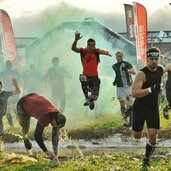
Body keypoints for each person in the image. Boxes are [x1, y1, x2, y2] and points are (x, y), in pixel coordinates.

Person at [131, 47, 163, 167]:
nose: (154, 61)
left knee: (153, 133)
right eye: (151, 59)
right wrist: (150, 89)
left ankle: (146, 158)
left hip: (152, 108)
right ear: (147, 59)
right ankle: (133, 126)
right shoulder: (141, 74)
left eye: (156, 59)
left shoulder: (160, 69)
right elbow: (134, 93)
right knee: (137, 136)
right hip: (139, 108)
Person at [17, 93, 66, 164]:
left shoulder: (57, 116)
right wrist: (46, 151)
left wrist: (55, 154)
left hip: (33, 99)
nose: (55, 127)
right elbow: (37, 135)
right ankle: (25, 137)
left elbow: (55, 136)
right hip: (22, 104)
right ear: (54, 119)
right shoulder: (45, 116)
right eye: (56, 125)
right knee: (25, 127)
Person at [71, 31, 112, 110]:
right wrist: (76, 40)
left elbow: (102, 51)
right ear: (87, 45)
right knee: (82, 77)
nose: (91, 48)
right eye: (90, 46)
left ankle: (90, 100)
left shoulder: (96, 51)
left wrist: (107, 53)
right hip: (86, 76)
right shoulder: (83, 51)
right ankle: (87, 98)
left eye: (93, 46)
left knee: (95, 97)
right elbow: (73, 49)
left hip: (95, 78)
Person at [112, 51, 136, 127]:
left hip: (128, 87)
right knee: (122, 102)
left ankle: (131, 123)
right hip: (119, 87)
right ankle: (125, 120)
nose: (119, 57)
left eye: (120, 56)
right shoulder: (114, 66)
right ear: (116, 57)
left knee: (129, 105)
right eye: (118, 56)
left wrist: (128, 70)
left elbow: (134, 72)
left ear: (123, 56)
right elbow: (117, 74)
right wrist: (115, 80)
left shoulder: (126, 64)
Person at [0, 79, 21, 150]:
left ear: (1, 87)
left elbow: (18, 92)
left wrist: (16, 85)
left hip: (1, 116)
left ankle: (1, 148)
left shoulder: (5, 94)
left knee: (1, 132)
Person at [0, 60, 20, 128]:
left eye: (9, 64)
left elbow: (19, 80)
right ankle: (11, 125)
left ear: (11, 65)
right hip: (6, 92)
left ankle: (20, 123)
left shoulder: (15, 72)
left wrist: (17, 86)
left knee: (16, 108)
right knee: (7, 109)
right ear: (6, 65)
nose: (8, 66)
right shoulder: (3, 72)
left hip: (14, 92)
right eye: (7, 64)